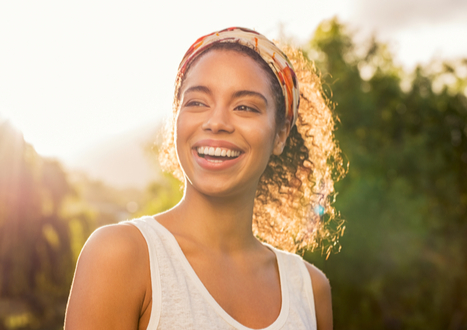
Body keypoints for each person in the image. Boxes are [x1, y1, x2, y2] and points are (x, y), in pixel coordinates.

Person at [64, 27, 344, 330]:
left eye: (245, 107)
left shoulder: (310, 290)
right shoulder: (120, 256)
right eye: (197, 102)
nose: (217, 122)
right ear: (177, 118)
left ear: (280, 134)